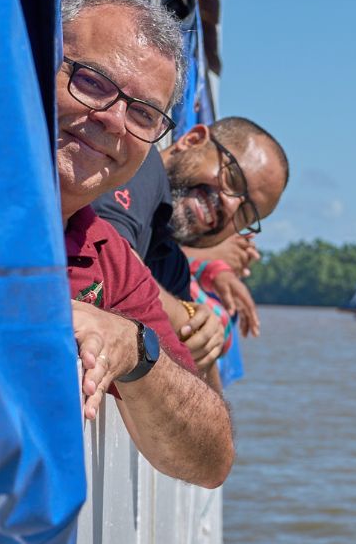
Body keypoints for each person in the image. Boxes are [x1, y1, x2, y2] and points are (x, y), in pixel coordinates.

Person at [57, 0, 233, 490]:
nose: (112, 120)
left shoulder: (109, 257)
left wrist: (133, 347)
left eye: (143, 115)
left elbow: (209, 461)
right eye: (92, 82)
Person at [93, 117, 289, 385]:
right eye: (232, 178)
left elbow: (205, 403)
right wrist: (189, 316)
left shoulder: (171, 266)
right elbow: (105, 261)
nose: (229, 206)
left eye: (245, 213)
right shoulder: (142, 164)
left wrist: (206, 340)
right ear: (192, 140)